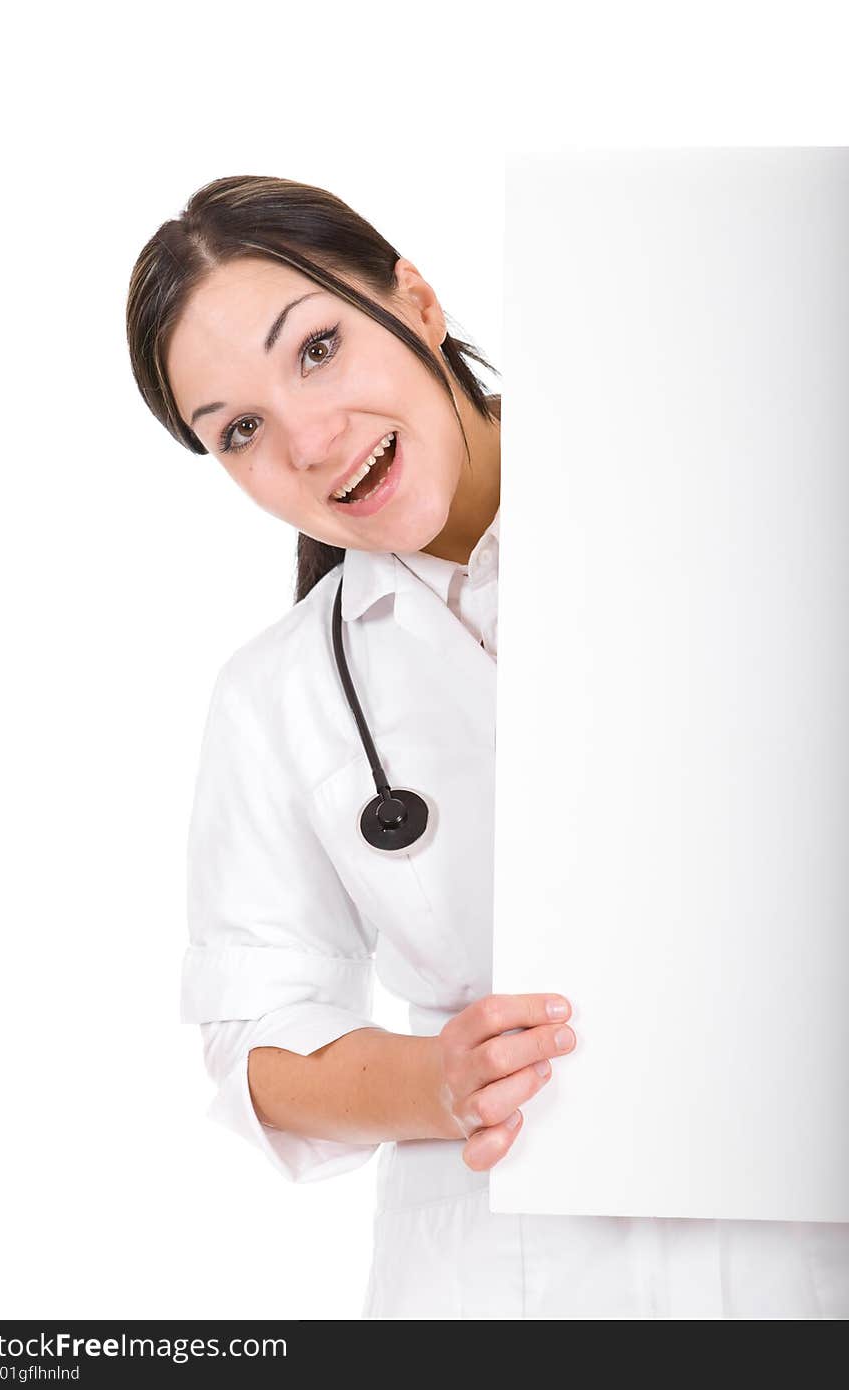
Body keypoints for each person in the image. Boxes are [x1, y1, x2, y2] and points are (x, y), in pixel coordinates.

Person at [125, 174, 849, 1320]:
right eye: (241, 430)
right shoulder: (277, 694)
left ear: (413, 301)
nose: (311, 443)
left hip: (795, 1234)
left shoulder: (747, 503)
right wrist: (439, 1080)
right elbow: (253, 1040)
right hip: (492, 1278)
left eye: (316, 348)